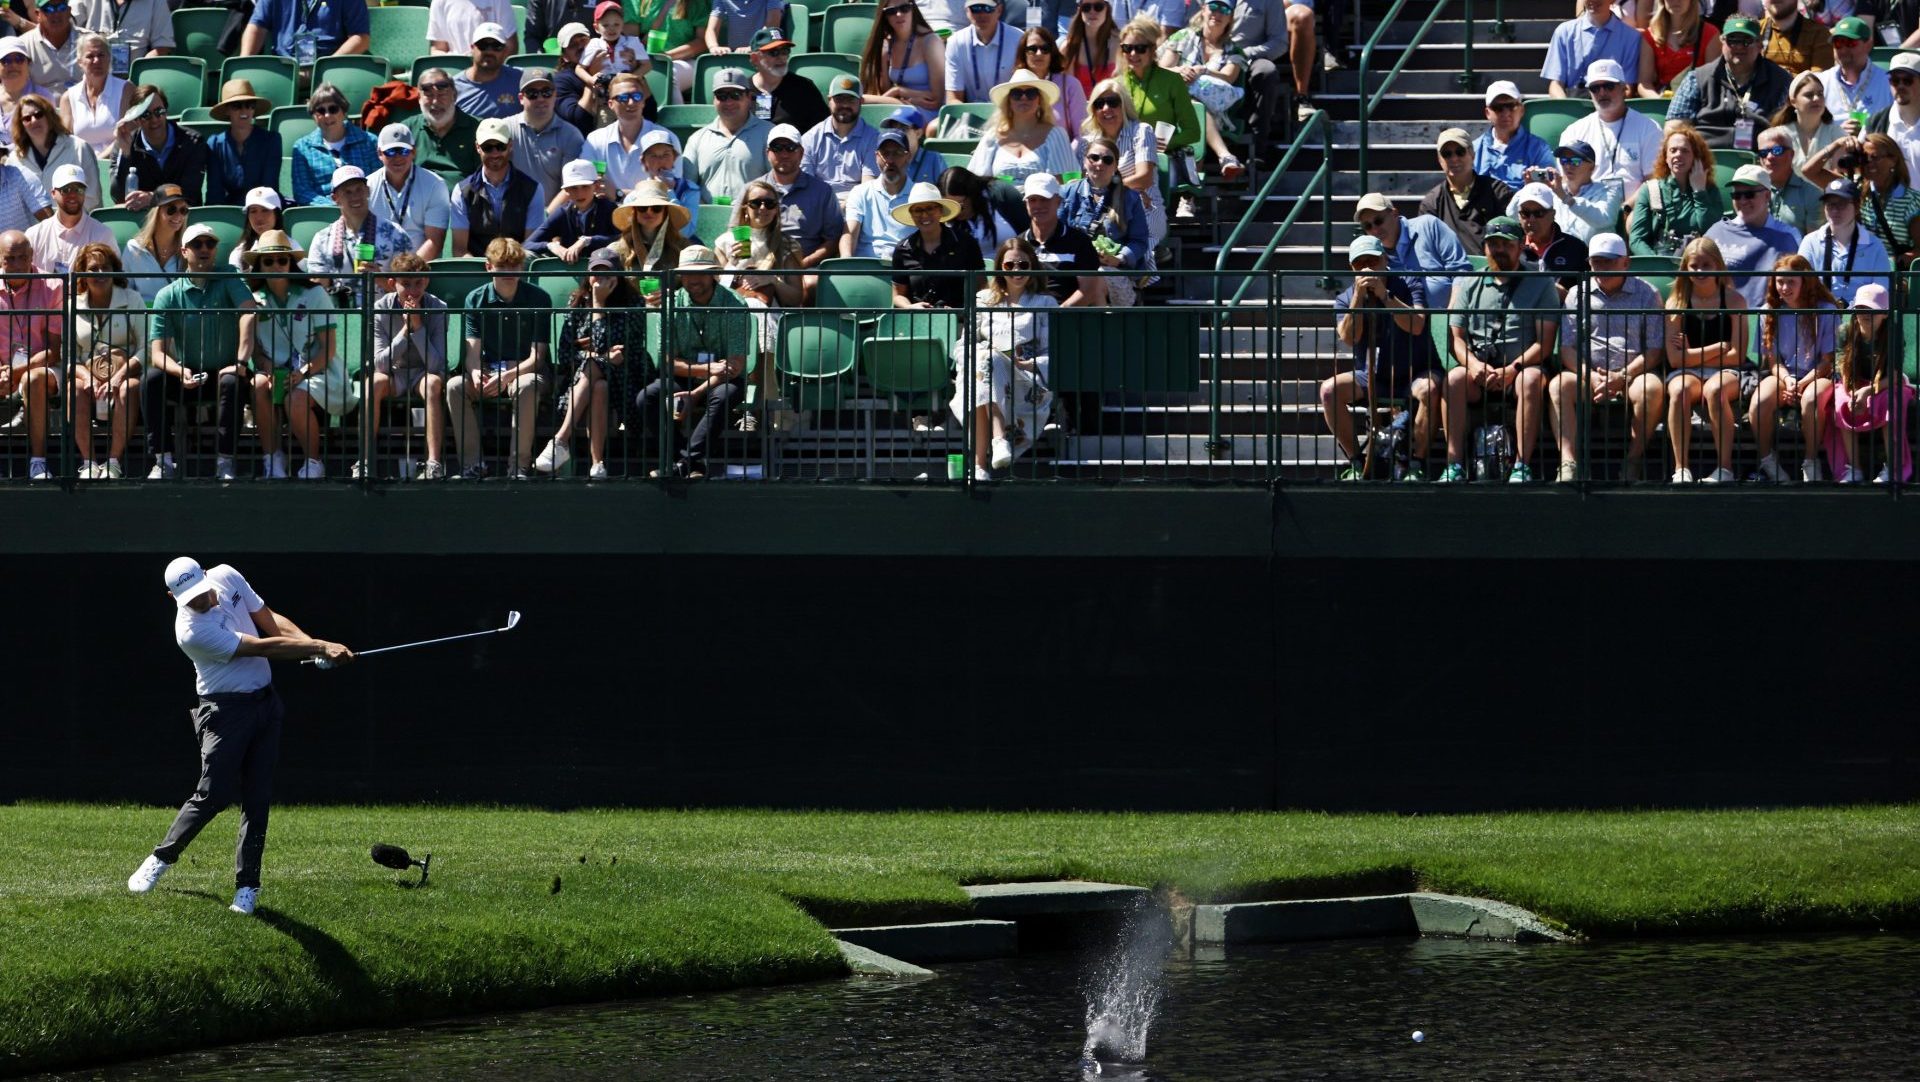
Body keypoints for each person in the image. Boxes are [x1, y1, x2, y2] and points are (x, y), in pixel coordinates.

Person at [124, 557, 355, 918]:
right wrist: (320, 647)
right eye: (190, 599)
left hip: (265, 704)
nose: (201, 601)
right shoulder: (190, 632)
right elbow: (260, 646)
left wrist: (311, 644)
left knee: (257, 798)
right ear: (173, 597)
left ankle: (247, 886)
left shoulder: (227, 576)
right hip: (224, 712)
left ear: (205, 576)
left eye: (202, 592)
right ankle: (161, 857)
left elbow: (269, 619)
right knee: (212, 794)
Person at [1440, 216, 1558, 484]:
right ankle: (1454, 464)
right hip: (1479, 370)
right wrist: (1473, 365)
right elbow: (1456, 338)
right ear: (1485, 248)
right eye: (1493, 244)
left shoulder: (1542, 284)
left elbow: (1545, 344)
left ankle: (1521, 465)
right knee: (1454, 379)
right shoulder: (1469, 284)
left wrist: (1512, 369)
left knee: (1531, 380)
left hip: (1520, 369)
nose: (1499, 250)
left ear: (1520, 246)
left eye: (1506, 244)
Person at [142, 222, 260, 480]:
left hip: (226, 370)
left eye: (210, 243)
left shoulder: (229, 275)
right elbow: (157, 353)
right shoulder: (168, 294)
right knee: (151, 380)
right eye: (197, 244)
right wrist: (179, 370)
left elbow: (248, 312)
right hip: (188, 372)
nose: (205, 248)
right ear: (184, 251)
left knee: (232, 381)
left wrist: (241, 362)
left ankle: (225, 462)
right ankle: (163, 461)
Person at [1322, 234, 1439, 481]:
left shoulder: (1408, 282)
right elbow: (1349, 337)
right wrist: (1358, 298)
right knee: (1329, 391)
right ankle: (1357, 461)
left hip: (1415, 371)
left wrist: (1384, 296)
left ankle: (1415, 464)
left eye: (1373, 261)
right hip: (1372, 375)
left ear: (1385, 259)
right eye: (1360, 263)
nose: (1367, 268)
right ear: (1352, 267)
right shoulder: (1345, 298)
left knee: (1429, 389)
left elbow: (1417, 325)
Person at [1550, 231, 1665, 482]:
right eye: (1596, 261)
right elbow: (1567, 347)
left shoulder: (1649, 294)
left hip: (1634, 374)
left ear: (1626, 262)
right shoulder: (1576, 294)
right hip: (1587, 375)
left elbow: (1655, 349)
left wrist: (1623, 376)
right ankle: (1569, 463)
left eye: (1609, 261)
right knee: (1559, 386)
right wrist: (1591, 377)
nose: (1602, 267)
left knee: (1651, 389)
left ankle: (1633, 460)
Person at [634, 244, 748, 479]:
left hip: (721, 379)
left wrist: (696, 393)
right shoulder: (670, 305)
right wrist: (705, 369)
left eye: (700, 272)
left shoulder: (735, 305)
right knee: (647, 398)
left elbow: (735, 366)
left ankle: (686, 462)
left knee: (725, 395)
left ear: (713, 274)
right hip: (685, 376)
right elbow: (666, 363)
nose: (693, 279)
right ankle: (686, 461)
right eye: (687, 273)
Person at [951, 236, 1055, 479]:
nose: (1016, 271)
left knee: (983, 369)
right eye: (1009, 266)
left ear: (1032, 267)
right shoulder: (984, 300)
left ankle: (979, 465)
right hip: (985, 371)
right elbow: (964, 343)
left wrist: (1030, 363)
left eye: (1023, 265)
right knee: (983, 365)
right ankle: (996, 444)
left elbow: (1053, 352)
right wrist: (975, 356)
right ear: (1000, 268)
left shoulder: (1045, 302)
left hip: (1025, 376)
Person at [448, 236, 551, 479]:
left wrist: (507, 375)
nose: (509, 271)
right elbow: (472, 353)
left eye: (514, 265)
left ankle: (519, 467)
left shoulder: (539, 298)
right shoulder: (475, 299)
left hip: (523, 373)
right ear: (489, 266)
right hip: (490, 370)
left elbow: (537, 358)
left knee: (527, 385)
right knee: (455, 386)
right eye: (502, 265)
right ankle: (473, 465)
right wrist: (475, 373)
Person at [534, 249, 641, 477]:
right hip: (583, 379)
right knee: (598, 380)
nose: (599, 279)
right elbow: (565, 354)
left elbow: (618, 350)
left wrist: (599, 306)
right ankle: (597, 464)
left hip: (625, 378)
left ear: (618, 276)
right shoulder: (577, 300)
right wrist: (597, 356)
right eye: (595, 273)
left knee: (596, 366)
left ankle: (561, 440)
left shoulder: (633, 302)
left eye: (606, 274)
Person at [252, 230, 343, 480]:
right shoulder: (253, 299)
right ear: (259, 266)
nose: (276, 266)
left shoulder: (315, 294)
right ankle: (273, 458)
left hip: (320, 371)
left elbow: (329, 350)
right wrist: (265, 365)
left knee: (295, 398)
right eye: (268, 261)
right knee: (258, 384)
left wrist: (302, 373)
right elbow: (255, 350)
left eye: (282, 260)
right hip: (276, 371)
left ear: (291, 263)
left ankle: (313, 462)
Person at [1661, 235, 1747, 483]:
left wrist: (1692, 355)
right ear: (1685, 268)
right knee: (1678, 391)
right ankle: (1681, 469)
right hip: (1688, 371)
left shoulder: (1734, 300)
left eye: (1706, 265)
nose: (1699, 271)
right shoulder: (1676, 303)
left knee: (1715, 391)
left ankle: (1725, 468)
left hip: (1726, 372)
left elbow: (1737, 356)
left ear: (1718, 265)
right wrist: (1718, 347)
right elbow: (1675, 360)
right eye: (1694, 266)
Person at [1748, 253, 1837, 482]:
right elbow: (1774, 361)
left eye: (1791, 282)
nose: (1784, 287)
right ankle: (1767, 460)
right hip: (1784, 375)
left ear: (1805, 282)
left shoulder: (1826, 310)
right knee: (1759, 403)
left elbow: (1828, 361)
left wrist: (1803, 383)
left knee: (1811, 400)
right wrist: (1788, 381)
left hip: (1818, 375)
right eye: (1780, 281)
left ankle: (1810, 461)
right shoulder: (1768, 311)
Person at [368, 252, 450, 480]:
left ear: (427, 281)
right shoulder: (379, 309)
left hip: (423, 375)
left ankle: (433, 463)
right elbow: (381, 365)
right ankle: (365, 460)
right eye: (406, 284)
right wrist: (406, 332)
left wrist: (418, 326)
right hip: (394, 375)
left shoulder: (438, 307)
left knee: (434, 384)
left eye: (419, 283)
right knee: (373, 383)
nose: (413, 291)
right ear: (392, 284)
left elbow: (436, 365)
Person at [66, 241, 144, 480]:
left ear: (114, 270)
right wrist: (87, 377)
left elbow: (146, 348)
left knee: (128, 389)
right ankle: (89, 462)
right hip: (88, 376)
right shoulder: (73, 306)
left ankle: (113, 462)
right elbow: (68, 354)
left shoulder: (132, 299)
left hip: (125, 374)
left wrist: (120, 376)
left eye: (105, 267)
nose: (100, 273)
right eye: (93, 268)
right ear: (82, 273)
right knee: (74, 389)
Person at [1824, 282, 1910, 483]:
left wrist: (1867, 392)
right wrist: (1853, 393)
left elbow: (1895, 375)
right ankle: (1853, 469)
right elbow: (1842, 368)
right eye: (1861, 309)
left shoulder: (1893, 333)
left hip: (1887, 384)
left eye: (1872, 309)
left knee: (1891, 404)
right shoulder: (1846, 331)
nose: (1865, 314)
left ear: (1885, 314)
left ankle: (1893, 468)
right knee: (1840, 402)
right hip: (1854, 383)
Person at [716, 176, 801, 374]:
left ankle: (763, 395)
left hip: (769, 310)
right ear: (745, 207)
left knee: (759, 313)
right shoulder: (725, 243)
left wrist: (772, 280)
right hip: (731, 308)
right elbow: (716, 292)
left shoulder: (787, 245)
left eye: (769, 203)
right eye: (756, 203)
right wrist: (733, 263)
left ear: (776, 210)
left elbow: (796, 297)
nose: (763, 208)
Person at [1665, 16, 1791, 149]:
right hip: (1706, 159)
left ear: (1760, 44)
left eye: (1746, 41)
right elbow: (1674, 129)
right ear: (1722, 42)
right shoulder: (1696, 78)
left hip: (1761, 160)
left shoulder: (1781, 80)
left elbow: (1791, 132)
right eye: (1732, 40)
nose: (1739, 46)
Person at [1161, 0, 1248, 181]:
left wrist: (1204, 71)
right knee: (1195, 108)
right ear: (1203, 10)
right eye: (1213, 7)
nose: (1218, 13)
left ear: (1231, 17)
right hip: (1172, 106)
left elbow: (1229, 76)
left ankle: (1189, 194)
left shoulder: (1234, 50)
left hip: (1217, 112)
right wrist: (1180, 70)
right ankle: (1224, 156)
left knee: (1196, 108)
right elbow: (1162, 69)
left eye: (1224, 9)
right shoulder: (1183, 37)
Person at [303, 165, 414, 306]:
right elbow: (315, 287)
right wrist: (326, 282)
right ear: (335, 198)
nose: (355, 197)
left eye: (359, 190)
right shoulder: (322, 239)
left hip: (385, 318)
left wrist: (380, 279)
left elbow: (412, 286)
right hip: (338, 319)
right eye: (347, 192)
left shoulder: (395, 234)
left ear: (368, 191)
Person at [0, 228, 61, 481]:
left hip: (43, 369)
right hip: (5, 370)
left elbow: (54, 350)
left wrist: (16, 372)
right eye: (9, 259)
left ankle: (38, 461)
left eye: (22, 257)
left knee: (32, 380)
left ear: (32, 256)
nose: (16, 264)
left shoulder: (54, 285)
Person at [1060, 136, 1149, 303]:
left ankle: (1063, 316)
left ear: (1115, 166)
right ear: (1085, 161)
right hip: (1074, 267)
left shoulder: (1130, 198)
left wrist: (1118, 258)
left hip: (1113, 270)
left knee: (1097, 278)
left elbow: (1139, 241)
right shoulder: (1067, 192)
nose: (1099, 163)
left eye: (1107, 160)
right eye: (1094, 158)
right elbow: (1058, 233)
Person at [1559, 60, 1662, 202]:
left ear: (1624, 88)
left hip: (1634, 210)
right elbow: (1567, 181)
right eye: (1595, 88)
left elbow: (1653, 181)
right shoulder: (1574, 132)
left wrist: (1626, 208)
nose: (1602, 92)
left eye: (1608, 86)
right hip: (1588, 209)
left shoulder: (1649, 128)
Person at [1117, 18, 1202, 189]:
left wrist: (1164, 144)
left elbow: (1193, 132)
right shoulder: (1117, 84)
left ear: (1153, 49)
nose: (1133, 54)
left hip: (1161, 159)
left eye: (1140, 48)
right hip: (1124, 159)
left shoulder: (1172, 81)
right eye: (1127, 48)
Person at [1077, 75, 1161, 248]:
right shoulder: (1086, 142)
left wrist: (1107, 192)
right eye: (1099, 104)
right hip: (1098, 211)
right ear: (1093, 110)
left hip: (1142, 208)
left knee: (1133, 250)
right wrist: (1111, 195)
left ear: (1124, 105)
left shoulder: (1141, 131)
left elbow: (1144, 178)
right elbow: (1083, 184)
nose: (1106, 108)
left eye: (1113, 102)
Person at [1704, 162, 1803, 305]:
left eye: (1749, 194)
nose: (1743, 201)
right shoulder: (1716, 231)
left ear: (1767, 196)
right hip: (1720, 319)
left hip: (1765, 320)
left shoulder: (1787, 236)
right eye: (1737, 195)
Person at [1353, 191, 1472, 310]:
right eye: (1367, 226)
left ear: (1394, 213)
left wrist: (1452, 315)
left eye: (1378, 221)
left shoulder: (1429, 226)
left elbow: (1461, 271)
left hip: (1446, 317)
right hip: (1402, 324)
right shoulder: (1372, 256)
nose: (1374, 230)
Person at [450, 117, 550, 258]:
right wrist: (486, 271)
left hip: (517, 270)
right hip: (478, 273)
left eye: (500, 146)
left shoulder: (533, 189)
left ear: (510, 145)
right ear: (478, 147)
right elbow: (460, 250)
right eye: (488, 147)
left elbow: (531, 246)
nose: (495, 153)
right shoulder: (462, 191)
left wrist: (506, 270)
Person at [970, 68, 1078, 188]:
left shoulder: (1056, 135)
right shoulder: (992, 137)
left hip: (1042, 205)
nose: (1024, 98)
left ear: (1039, 100)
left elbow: (1064, 184)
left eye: (1031, 93)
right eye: (1016, 94)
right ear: (1009, 101)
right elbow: (977, 181)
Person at [1627, 123, 1725, 255]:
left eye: (1685, 151)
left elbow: (1710, 231)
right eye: (1673, 150)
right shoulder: (1651, 190)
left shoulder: (1710, 190)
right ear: (1665, 157)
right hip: (1661, 265)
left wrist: (1699, 192)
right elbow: (1637, 240)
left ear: (1696, 158)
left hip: (1697, 265)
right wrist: (1658, 266)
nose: (1678, 155)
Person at [683, 66, 773, 203]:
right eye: (722, 96)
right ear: (714, 100)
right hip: (708, 218)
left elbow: (777, 183)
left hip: (752, 219)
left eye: (735, 95)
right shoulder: (697, 139)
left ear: (749, 97)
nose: (729, 102)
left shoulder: (769, 133)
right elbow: (688, 186)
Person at [585, 72, 684, 196]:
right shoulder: (595, 140)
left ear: (643, 101)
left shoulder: (667, 138)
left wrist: (619, 194)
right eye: (623, 98)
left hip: (652, 212)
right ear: (610, 104)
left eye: (637, 96)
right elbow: (586, 185)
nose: (631, 102)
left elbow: (670, 190)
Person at [889, 178, 982, 309]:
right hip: (917, 322)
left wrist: (961, 310)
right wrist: (911, 307)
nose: (924, 215)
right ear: (911, 214)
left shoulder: (966, 243)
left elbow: (982, 287)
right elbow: (898, 295)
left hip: (960, 322)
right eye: (918, 210)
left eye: (930, 208)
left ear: (941, 211)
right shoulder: (902, 249)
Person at [760, 123, 843, 268]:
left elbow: (833, 240)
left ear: (801, 152)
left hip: (805, 267)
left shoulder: (823, 191)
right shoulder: (753, 190)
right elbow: (738, 234)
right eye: (777, 148)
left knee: (808, 285)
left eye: (791, 148)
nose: (784, 154)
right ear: (768, 153)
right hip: (761, 265)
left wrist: (802, 265)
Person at [505, 69, 588, 212]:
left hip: (556, 217)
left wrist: (546, 217)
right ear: (521, 98)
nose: (540, 98)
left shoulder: (570, 135)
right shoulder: (505, 129)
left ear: (555, 95)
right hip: (512, 214)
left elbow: (571, 186)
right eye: (532, 94)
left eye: (546, 92)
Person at [1420, 127, 1514, 253]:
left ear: (1472, 154)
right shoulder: (1431, 203)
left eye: (1460, 152)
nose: (1454, 159)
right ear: (1439, 159)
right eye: (1447, 154)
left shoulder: (1498, 192)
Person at [1018, 170, 1105, 305]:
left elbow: (1089, 290)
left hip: (1066, 320)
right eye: (1033, 200)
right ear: (1026, 204)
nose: (1038, 205)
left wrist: (1058, 314)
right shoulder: (1018, 244)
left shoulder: (1079, 242)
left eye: (1044, 199)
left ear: (1058, 201)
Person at [1797, 176, 1892, 299]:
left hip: (1861, 315)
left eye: (1842, 204)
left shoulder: (1875, 245)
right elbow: (1801, 286)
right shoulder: (1810, 242)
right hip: (1820, 315)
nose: (1835, 210)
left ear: (1857, 207)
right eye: (1830, 205)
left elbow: (1881, 293)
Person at [109, 86, 205, 206]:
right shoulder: (124, 145)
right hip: (143, 220)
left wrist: (154, 198)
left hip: (183, 218)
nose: (154, 119)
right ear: (136, 120)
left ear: (166, 112)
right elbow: (117, 196)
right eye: (146, 115)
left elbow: (190, 193)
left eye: (159, 112)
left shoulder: (192, 142)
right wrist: (125, 155)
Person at [371, 124, 454, 262]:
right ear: (379, 153)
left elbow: (434, 241)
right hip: (378, 271)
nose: (397, 157)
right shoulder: (368, 186)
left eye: (403, 151)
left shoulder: (434, 184)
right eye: (391, 152)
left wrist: (408, 272)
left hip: (419, 272)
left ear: (414, 152)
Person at [290, 83, 380, 207]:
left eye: (333, 109)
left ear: (343, 111)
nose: (327, 115)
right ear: (314, 116)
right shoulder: (302, 148)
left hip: (364, 208)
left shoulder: (369, 141)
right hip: (323, 214)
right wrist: (334, 206)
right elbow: (302, 192)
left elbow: (378, 182)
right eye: (321, 111)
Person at [203, 81, 281, 209]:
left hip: (263, 208)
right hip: (230, 210)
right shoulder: (215, 144)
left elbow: (269, 187)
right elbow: (214, 192)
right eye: (237, 106)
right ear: (227, 110)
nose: (244, 110)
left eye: (250, 105)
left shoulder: (271, 141)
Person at [842, 128, 920, 256]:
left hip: (905, 267)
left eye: (897, 153)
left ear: (908, 156)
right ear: (877, 156)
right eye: (885, 153)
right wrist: (846, 262)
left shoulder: (919, 194)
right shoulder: (860, 192)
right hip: (866, 269)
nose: (890, 160)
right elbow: (849, 234)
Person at [802, 74, 881, 198]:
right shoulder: (810, 138)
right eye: (839, 99)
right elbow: (806, 184)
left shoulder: (873, 139)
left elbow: (868, 187)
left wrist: (845, 207)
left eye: (851, 99)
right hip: (819, 203)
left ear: (861, 102)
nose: (845, 105)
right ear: (829, 101)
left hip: (857, 206)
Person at [860, 0, 946, 111]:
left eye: (905, 8)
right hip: (902, 105)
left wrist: (898, 91)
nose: (899, 14)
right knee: (858, 102)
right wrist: (900, 95)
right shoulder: (887, 45)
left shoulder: (931, 42)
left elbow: (937, 99)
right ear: (885, 16)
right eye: (891, 11)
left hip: (928, 109)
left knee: (862, 101)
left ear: (913, 9)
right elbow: (885, 91)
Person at [1543, 0, 1641, 96]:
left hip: (1612, 105)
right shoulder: (1564, 32)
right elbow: (1556, 85)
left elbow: (1628, 89)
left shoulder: (1631, 37)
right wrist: (1567, 106)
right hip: (1574, 103)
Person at [529, 158, 618, 261]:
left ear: (596, 186)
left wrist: (587, 241)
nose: (579, 193)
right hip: (570, 269)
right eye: (573, 188)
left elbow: (621, 240)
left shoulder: (609, 208)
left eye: (585, 186)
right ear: (566, 190)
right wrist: (551, 246)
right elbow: (528, 244)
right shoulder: (563, 212)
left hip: (603, 268)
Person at [1510, 181, 1590, 296]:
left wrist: (1566, 297)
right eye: (1525, 213)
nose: (1531, 219)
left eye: (1539, 213)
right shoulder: (1510, 248)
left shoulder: (1576, 248)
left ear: (1553, 214)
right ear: (1518, 216)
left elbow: (1589, 296)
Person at [26, 160, 107, 273]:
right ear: (53, 193)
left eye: (79, 189)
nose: (73, 195)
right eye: (66, 190)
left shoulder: (103, 234)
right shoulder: (34, 235)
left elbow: (112, 279)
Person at [56, 33, 129, 158]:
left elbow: (126, 135)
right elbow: (65, 143)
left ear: (109, 58)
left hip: (115, 164)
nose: (96, 61)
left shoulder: (126, 89)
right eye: (90, 56)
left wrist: (96, 162)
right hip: (79, 165)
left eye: (101, 55)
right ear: (80, 62)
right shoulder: (68, 98)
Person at [1474, 81, 1556, 191]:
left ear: (1521, 110)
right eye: (1498, 107)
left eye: (1511, 106)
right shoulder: (1474, 149)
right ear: (1488, 113)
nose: (1506, 113)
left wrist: (1534, 177)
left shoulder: (1538, 147)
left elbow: (1551, 178)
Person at [407, 67, 484, 180]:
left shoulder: (478, 128)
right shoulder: (407, 129)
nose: (435, 102)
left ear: (454, 96)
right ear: (419, 98)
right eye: (429, 95)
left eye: (442, 95)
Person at [1855, 131, 1920, 264]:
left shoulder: (1911, 201)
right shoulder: (1857, 193)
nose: (1869, 163)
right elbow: (1808, 171)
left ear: (1893, 160)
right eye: (1865, 158)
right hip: (1862, 276)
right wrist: (1837, 144)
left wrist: (1895, 261)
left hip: (1895, 279)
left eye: (1875, 157)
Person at [1225, 0, 1286, 142]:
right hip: (1211, 53)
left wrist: (1244, 53)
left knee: (1266, 71)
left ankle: (1259, 142)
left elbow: (1279, 42)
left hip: (1249, 57)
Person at [1541, 140, 1622, 245]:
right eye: (1564, 161)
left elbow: (1604, 219)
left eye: (1575, 161)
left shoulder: (1608, 192)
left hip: (1594, 258)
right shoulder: (1553, 192)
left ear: (1592, 167)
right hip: (1559, 257)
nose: (1568, 166)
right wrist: (1529, 189)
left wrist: (1566, 199)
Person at [748, 25, 827, 132]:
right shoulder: (743, 90)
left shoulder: (804, 88)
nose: (781, 57)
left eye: (785, 51)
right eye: (774, 52)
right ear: (755, 58)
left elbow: (821, 129)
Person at [603, 177, 692, 270]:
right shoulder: (617, 250)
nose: (649, 212)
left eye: (656, 208)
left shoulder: (683, 247)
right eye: (643, 207)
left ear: (665, 212)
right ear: (635, 211)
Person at [1820, 17, 1892, 129]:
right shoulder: (1822, 82)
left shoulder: (1888, 82)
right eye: (1838, 43)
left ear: (1868, 44)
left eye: (1850, 43)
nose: (1843, 50)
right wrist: (1837, 133)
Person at [1636, 0, 1718, 98]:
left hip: (1697, 102)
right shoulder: (1650, 35)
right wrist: (1659, 100)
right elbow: (1644, 84)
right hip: (1663, 103)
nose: (1676, 1)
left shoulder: (1710, 33)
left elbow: (1713, 81)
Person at [119, 182, 185, 303]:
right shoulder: (134, 248)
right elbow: (125, 292)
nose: (178, 215)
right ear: (157, 212)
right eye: (171, 209)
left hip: (176, 319)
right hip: (142, 317)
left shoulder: (187, 249)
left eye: (183, 210)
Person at [1014, 27, 1088, 134]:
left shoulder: (1071, 85)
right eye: (1032, 49)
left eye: (1045, 49)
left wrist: (1067, 151)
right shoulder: (1014, 86)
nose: (1039, 53)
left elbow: (1081, 134)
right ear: (1023, 53)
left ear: (1052, 53)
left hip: (1065, 149)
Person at [634, 0, 712, 101]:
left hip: (689, 62)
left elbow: (702, 41)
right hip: (650, 61)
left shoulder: (697, 3)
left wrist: (667, 55)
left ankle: (675, 115)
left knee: (668, 74)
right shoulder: (642, 2)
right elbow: (633, 37)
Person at [947, 0, 1021, 106]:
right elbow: (953, 98)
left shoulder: (1018, 39)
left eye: (988, 8)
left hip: (1009, 110)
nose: (981, 15)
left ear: (999, 10)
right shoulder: (956, 42)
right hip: (971, 112)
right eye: (975, 9)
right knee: (934, 124)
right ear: (967, 11)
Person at [244, 0, 371, 60]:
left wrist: (328, 65)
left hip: (329, 65)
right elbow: (257, 26)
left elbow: (361, 38)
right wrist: (244, 62)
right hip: (284, 66)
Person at [1758, 124, 1826, 231]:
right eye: (1763, 153)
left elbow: (1815, 245)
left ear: (1791, 154)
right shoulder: (1751, 193)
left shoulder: (1812, 195)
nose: (1770, 157)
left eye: (1777, 150)